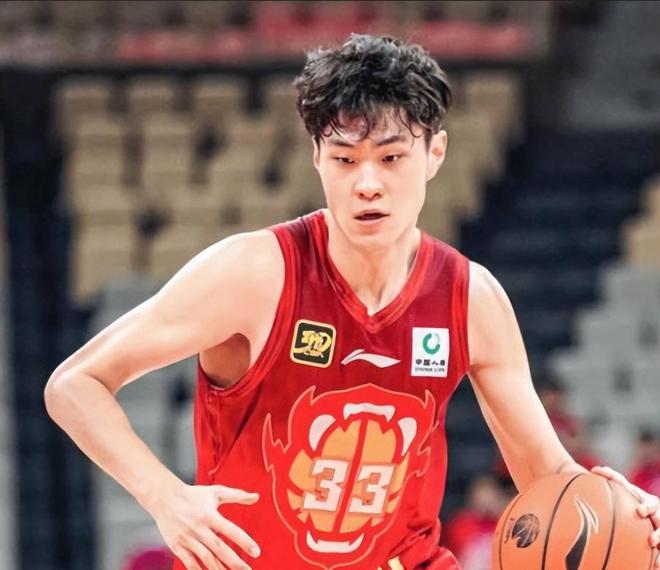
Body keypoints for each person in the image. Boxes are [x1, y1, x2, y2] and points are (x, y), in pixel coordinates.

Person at [44, 34, 660, 570]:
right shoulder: (255, 272)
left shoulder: (470, 297)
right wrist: (164, 496)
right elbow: (74, 385)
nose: (368, 183)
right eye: (344, 159)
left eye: (391, 158)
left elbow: (545, 474)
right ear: (317, 157)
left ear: (435, 154)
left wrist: (623, 513)